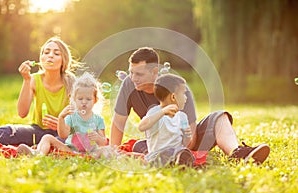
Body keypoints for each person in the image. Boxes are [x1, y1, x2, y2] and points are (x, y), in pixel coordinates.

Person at [110, 47, 270, 164]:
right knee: (139, 145)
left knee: (220, 116)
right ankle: (173, 157)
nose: (133, 78)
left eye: (138, 74)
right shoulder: (128, 85)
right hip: (157, 142)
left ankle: (238, 153)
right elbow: (119, 121)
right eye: (131, 72)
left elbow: (192, 140)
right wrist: (113, 151)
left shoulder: (177, 88)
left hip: (183, 139)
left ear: (154, 72)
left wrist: (176, 142)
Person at [0, 37, 77, 146]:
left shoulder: (71, 82)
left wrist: (61, 124)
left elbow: (80, 118)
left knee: (71, 141)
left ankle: (43, 148)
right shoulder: (34, 80)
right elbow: (22, 113)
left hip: (64, 134)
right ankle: (45, 147)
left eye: (56, 53)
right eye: (46, 52)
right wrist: (26, 80)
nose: (50, 56)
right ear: (41, 58)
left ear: (64, 60)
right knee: (4, 132)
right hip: (38, 131)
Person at [17, 72, 108, 156]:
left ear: (95, 100)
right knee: (47, 137)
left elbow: (103, 142)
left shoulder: (98, 119)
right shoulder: (71, 117)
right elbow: (63, 135)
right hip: (70, 150)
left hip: (91, 152)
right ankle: (37, 154)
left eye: (88, 99)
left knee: (106, 150)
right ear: (74, 99)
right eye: (80, 99)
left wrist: (98, 138)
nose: (84, 102)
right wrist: (61, 118)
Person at [138, 74, 194, 166]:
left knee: (182, 151)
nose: (186, 97)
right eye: (183, 93)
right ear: (173, 97)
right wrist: (162, 112)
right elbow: (141, 127)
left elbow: (186, 143)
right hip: (157, 156)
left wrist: (187, 135)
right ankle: (177, 161)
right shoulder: (155, 112)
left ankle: (180, 161)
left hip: (177, 151)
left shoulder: (182, 116)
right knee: (171, 152)